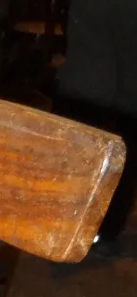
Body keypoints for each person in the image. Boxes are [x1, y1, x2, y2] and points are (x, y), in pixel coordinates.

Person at [56, 0, 137, 251]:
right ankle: (102, 229)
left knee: (79, 163)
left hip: (83, 90)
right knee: (117, 160)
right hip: (111, 97)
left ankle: (79, 225)